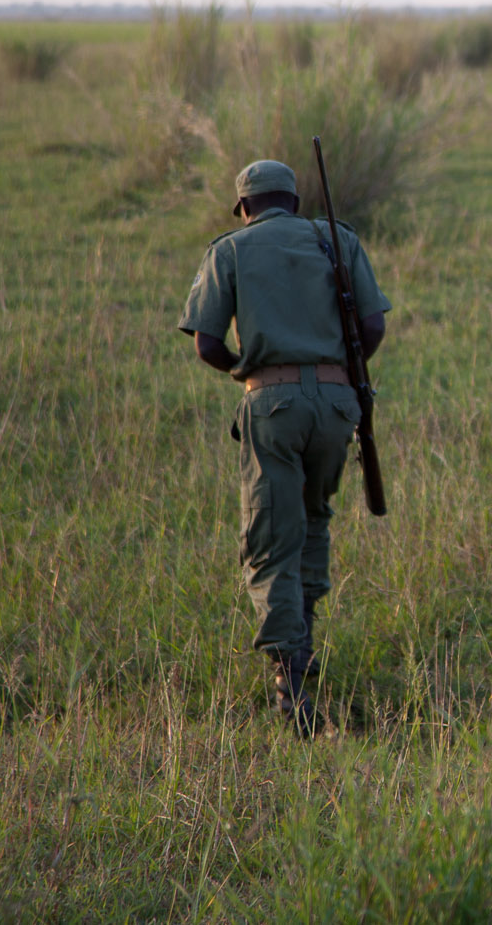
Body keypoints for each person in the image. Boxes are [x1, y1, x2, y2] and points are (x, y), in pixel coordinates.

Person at [178, 159, 389, 729]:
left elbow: (205, 344)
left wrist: (248, 373)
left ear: (245, 208)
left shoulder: (230, 250)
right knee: (314, 519)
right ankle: (304, 639)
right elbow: (372, 328)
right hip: (337, 405)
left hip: (270, 406)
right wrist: (339, 374)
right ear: (294, 202)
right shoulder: (337, 239)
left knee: (272, 535)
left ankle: (289, 678)